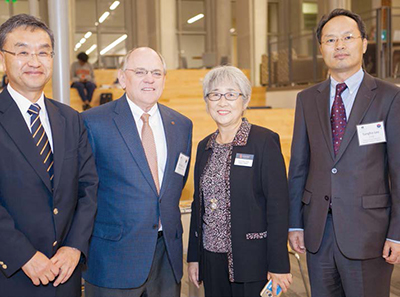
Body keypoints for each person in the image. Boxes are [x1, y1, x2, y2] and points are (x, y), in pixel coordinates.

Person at [288, 8, 400, 297]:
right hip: (317, 234)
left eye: (348, 37)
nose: (339, 46)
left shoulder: (390, 97)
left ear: (364, 43)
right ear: (321, 48)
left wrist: (397, 233)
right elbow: (299, 166)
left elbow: (398, 170)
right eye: (330, 40)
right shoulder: (306, 100)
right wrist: (294, 223)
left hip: (369, 235)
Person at [0, 14, 98, 297]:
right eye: (22, 52)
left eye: (43, 52)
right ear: (3, 59)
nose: (35, 61)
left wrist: (74, 247)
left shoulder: (70, 118)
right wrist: (24, 256)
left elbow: (88, 188)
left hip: (64, 274)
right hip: (12, 276)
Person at [82, 47, 193, 297]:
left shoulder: (182, 125)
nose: (149, 79)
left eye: (156, 72)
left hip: (167, 258)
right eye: (140, 71)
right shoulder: (93, 122)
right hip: (113, 260)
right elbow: (82, 190)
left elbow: (175, 183)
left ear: (164, 78)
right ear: (122, 78)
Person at [187, 66, 292, 297]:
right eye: (215, 94)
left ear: (245, 101)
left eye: (231, 94)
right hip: (211, 259)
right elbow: (198, 206)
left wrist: (279, 265)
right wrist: (194, 258)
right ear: (207, 102)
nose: (222, 102)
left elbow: (278, 206)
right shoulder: (205, 147)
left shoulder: (264, 141)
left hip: (253, 259)